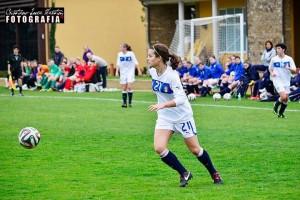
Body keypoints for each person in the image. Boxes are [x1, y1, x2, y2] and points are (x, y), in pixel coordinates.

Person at [147, 43, 223, 187]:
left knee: (195, 150)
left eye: (151, 56)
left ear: (160, 58)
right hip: (165, 117)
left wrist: (163, 104)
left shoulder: (172, 76)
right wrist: (163, 106)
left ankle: (214, 173)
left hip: (182, 117)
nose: (148, 58)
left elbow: (181, 99)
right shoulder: (152, 72)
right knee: (159, 148)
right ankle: (184, 173)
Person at [269, 43, 296, 118]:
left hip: (286, 80)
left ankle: (281, 113)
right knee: (283, 97)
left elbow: (294, 70)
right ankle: (275, 105)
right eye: (276, 49)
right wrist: (272, 73)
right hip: (277, 80)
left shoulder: (289, 59)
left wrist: (288, 67)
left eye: (279, 48)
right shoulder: (274, 59)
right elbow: (270, 68)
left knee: (286, 99)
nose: (277, 50)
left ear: (283, 49)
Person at [116, 43, 141, 108]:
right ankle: (124, 103)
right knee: (124, 88)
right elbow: (118, 63)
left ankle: (130, 103)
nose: (120, 48)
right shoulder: (119, 54)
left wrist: (139, 70)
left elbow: (136, 62)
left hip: (130, 72)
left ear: (125, 48)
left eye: (122, 47)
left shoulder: (131, 53)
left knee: (129, 87)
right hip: (123, 73)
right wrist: (116, 72)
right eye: (120, 47)